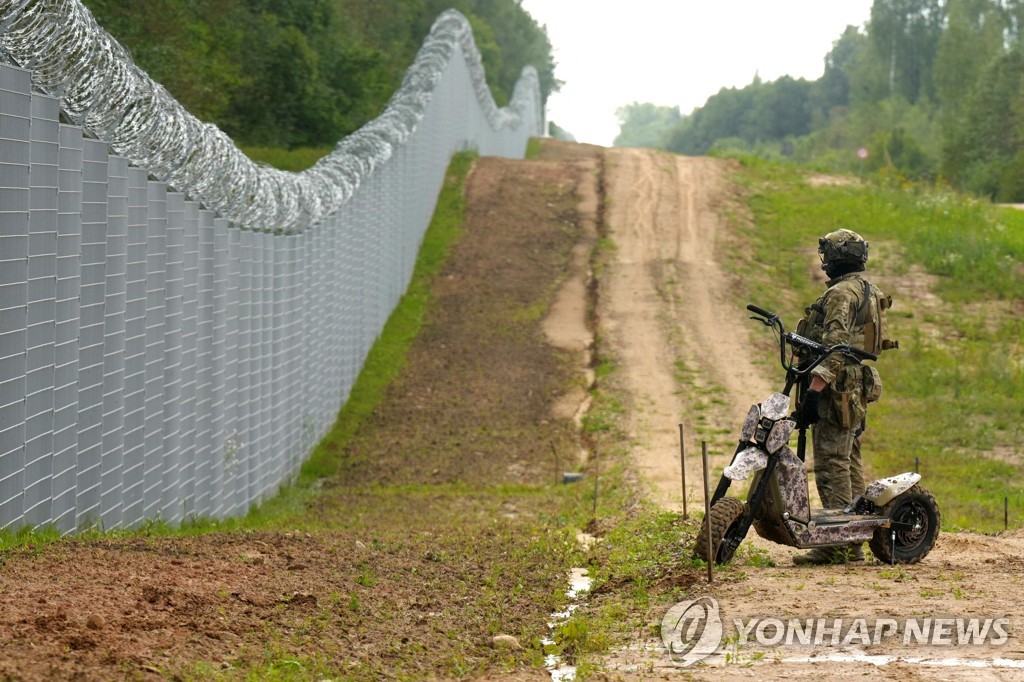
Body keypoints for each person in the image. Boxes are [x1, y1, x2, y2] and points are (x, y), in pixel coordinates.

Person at [793, 229, 892, 566]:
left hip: (835, 389)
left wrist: (813, 391)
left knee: (832, 464)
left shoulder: (841, 293)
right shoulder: (868, 289)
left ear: (835, 258)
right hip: (853, 386)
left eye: (827, 255)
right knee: (849, 463)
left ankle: (837, 544)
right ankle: (852, 541)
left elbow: (834, 347)